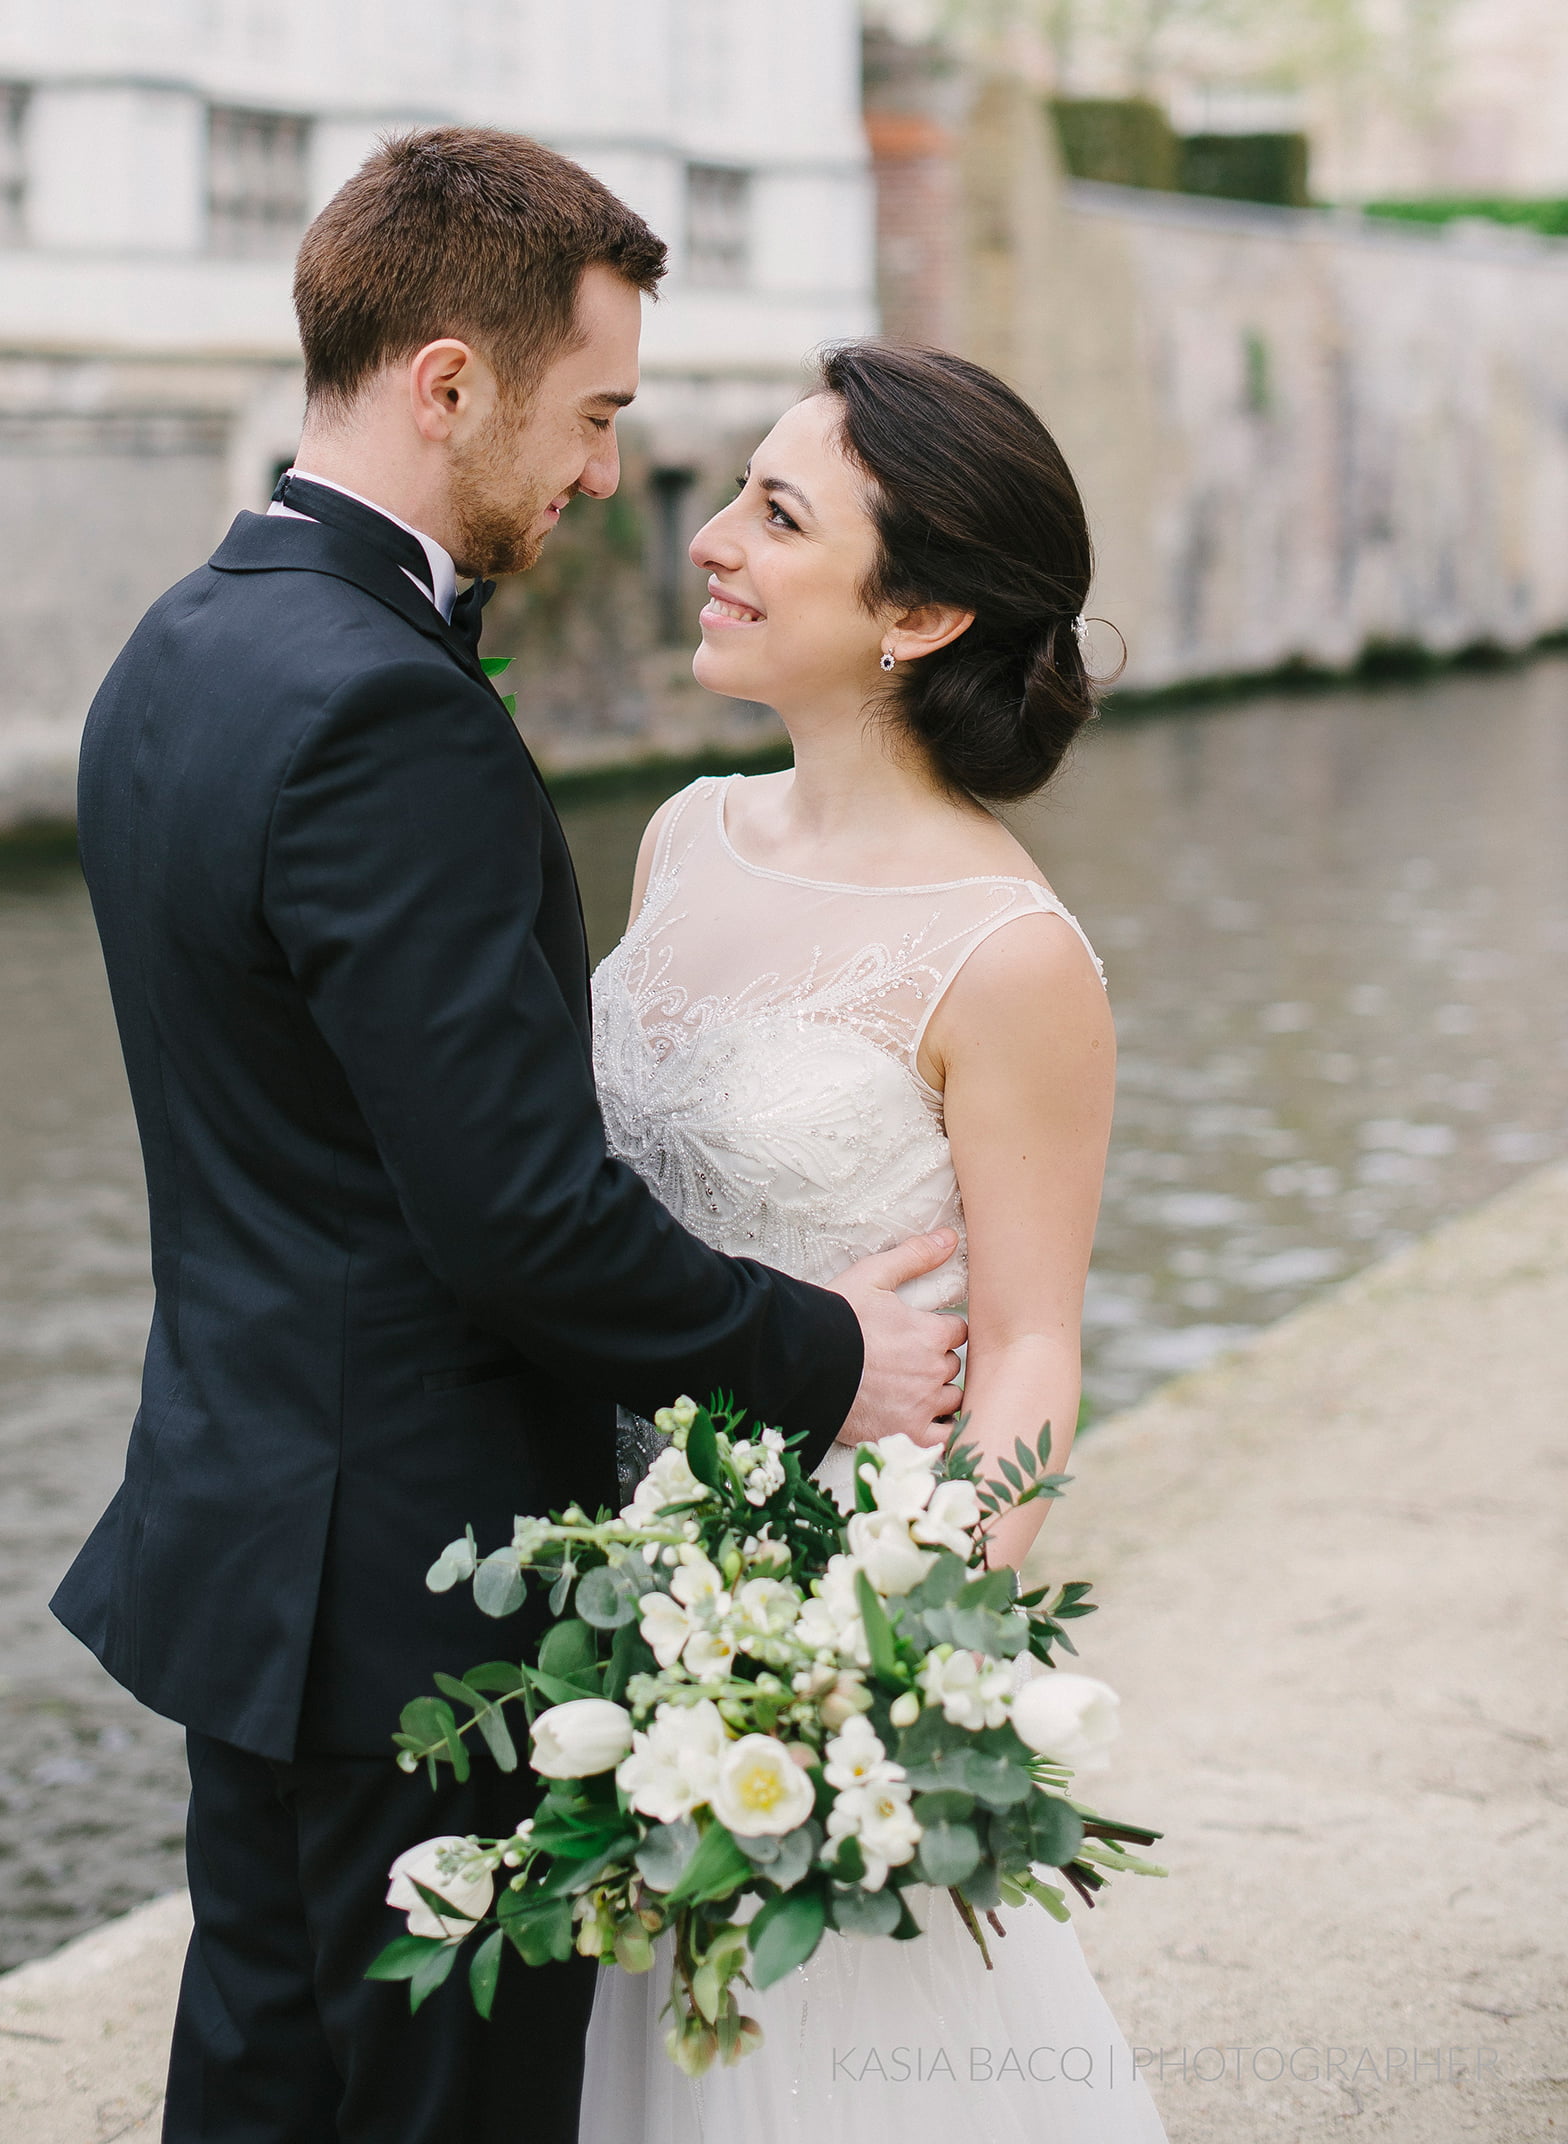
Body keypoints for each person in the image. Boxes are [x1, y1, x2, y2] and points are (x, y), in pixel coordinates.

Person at [50, 131, 973, 2144]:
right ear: (448, 383)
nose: (598, 478)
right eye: (595, 419)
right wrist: (827, 1351)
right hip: (412, 1600)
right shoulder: (393, 715)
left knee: (266, 2085)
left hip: (249, 1535)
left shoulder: (177, 649)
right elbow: (516, 1224)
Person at [577, 343, 1165, 2140]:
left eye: (776, 515)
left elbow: (1037, 1344)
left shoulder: (1010, 953)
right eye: (737, 498)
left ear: (913, 612)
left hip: (817, 1620)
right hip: (601, 1593)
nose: (711, 545)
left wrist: (905, 1664)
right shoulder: (683, 837)